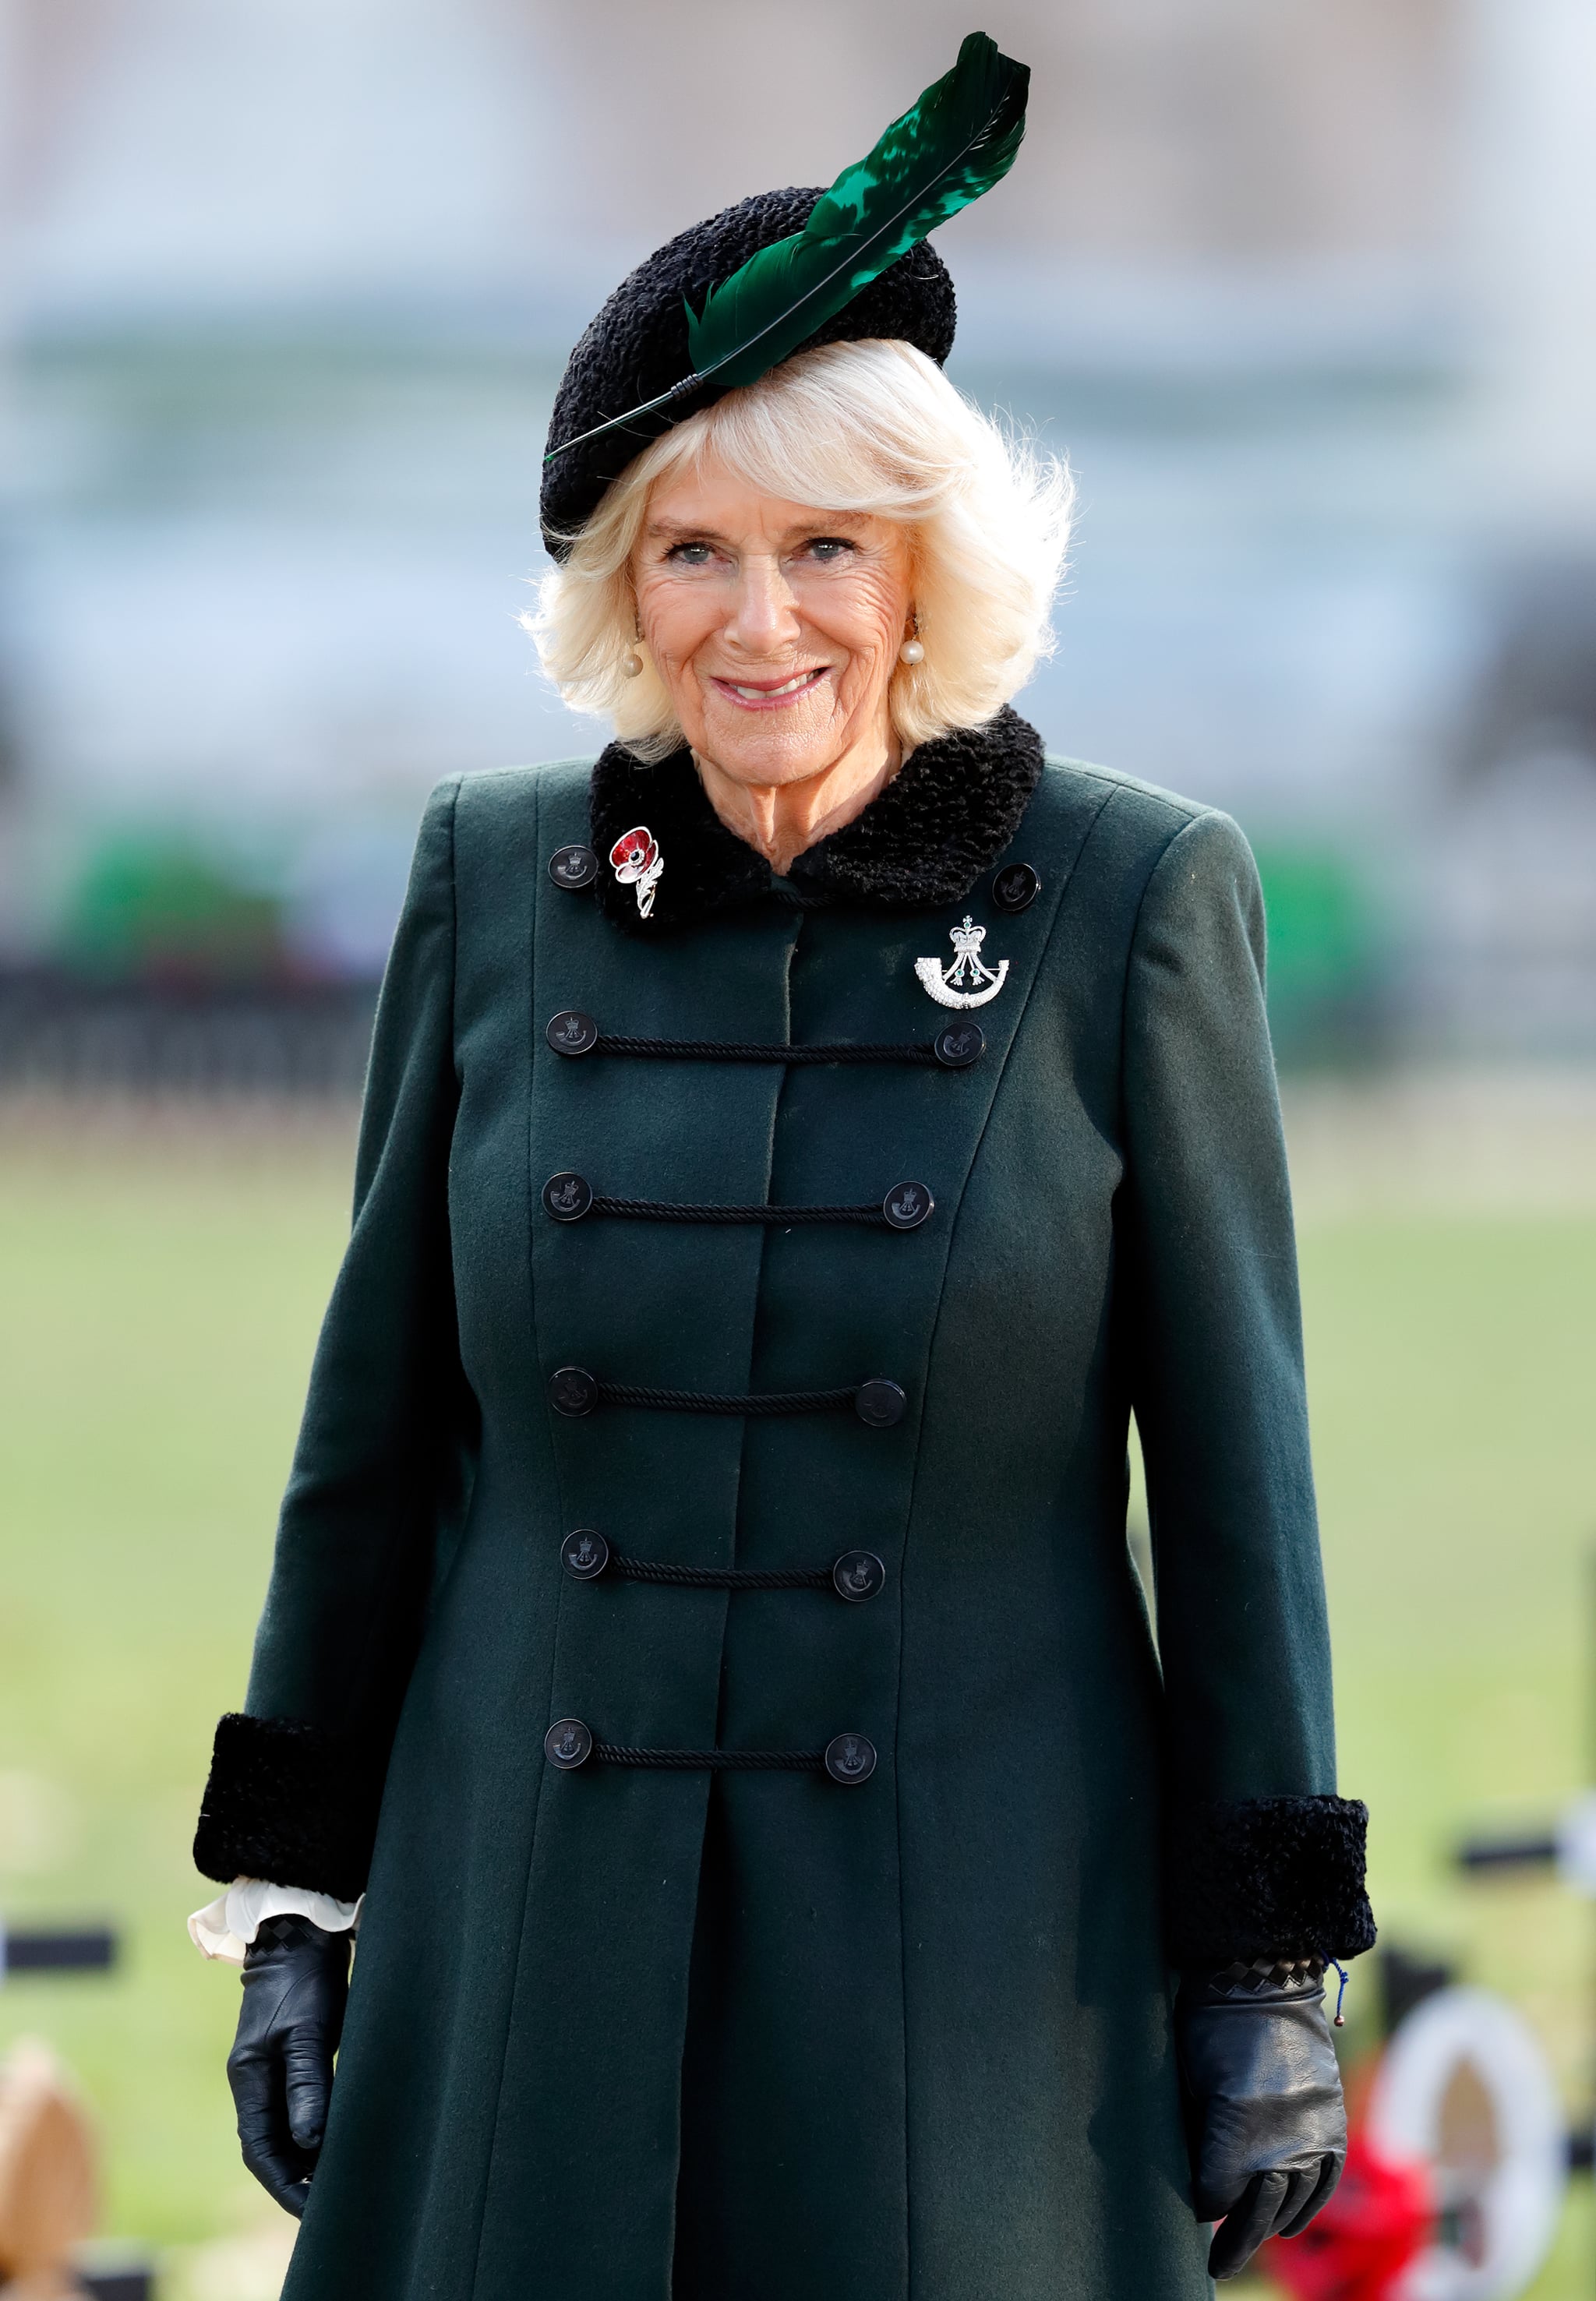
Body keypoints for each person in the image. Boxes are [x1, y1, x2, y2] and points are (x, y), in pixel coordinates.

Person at [189, 36, 1374, 2299]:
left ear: (929, 570)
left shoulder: (1135, 899)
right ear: (625, 593)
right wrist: (295, 1908)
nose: (762, 622)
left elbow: (1238, 1492)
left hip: (976, 1958)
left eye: (828, 547)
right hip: (528, 1918)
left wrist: (1271, 1967)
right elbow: (366, 1458)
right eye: (696, 553)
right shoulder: (490, 881)